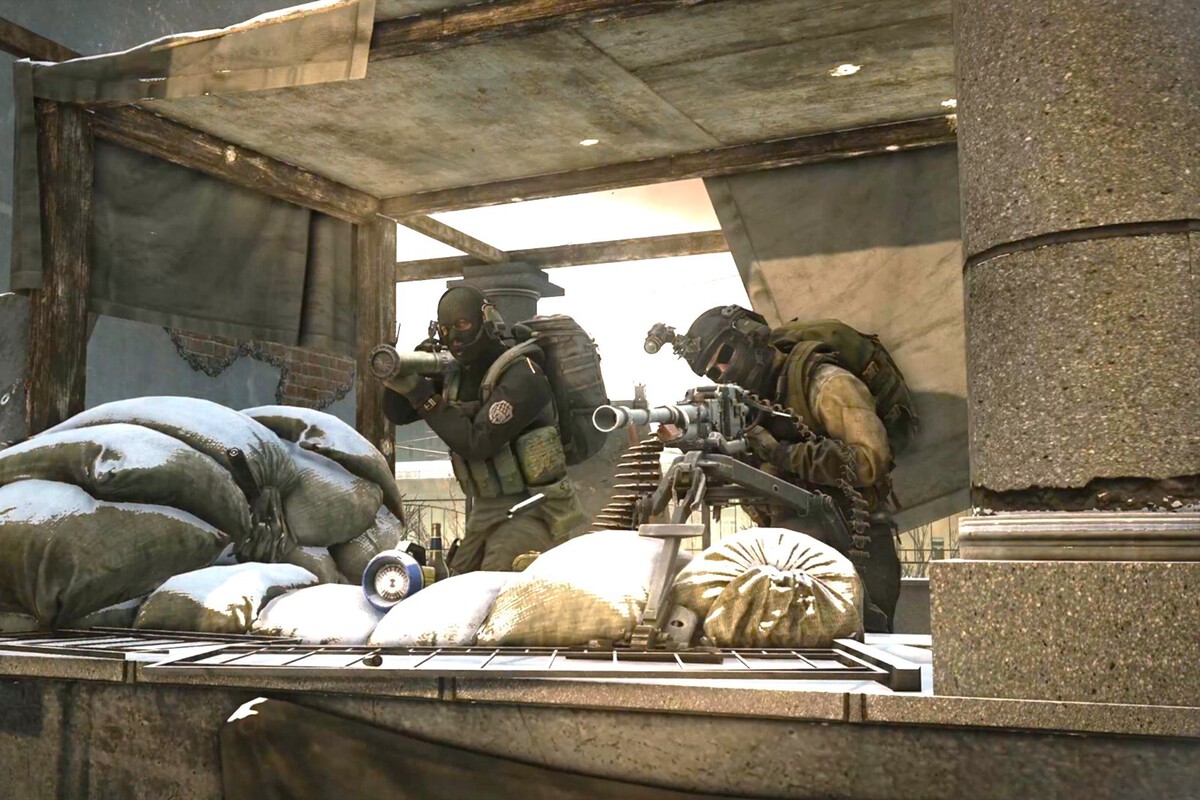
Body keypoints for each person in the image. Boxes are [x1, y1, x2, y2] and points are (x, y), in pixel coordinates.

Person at [670, 305, 902, 632]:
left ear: (751, 337)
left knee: (869, 643)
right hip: (790, 552)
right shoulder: (748, 407)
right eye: (713, 373)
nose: (723, 371)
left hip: (857, 543)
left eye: (725, 355)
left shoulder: (825, 383)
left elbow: (868, 461)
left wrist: (782, 453)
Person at [383, 285, 584, 574]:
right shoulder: (457, 376)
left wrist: (423, 396)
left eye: (463, 324)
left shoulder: (523, 374)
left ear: (487, 320)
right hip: (485, 510)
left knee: (493, 578)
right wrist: (405, 371)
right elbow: (397, 413)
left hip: (536, 507)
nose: (454, 337)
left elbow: (477, 444)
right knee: (456, 582)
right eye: (445, 329)